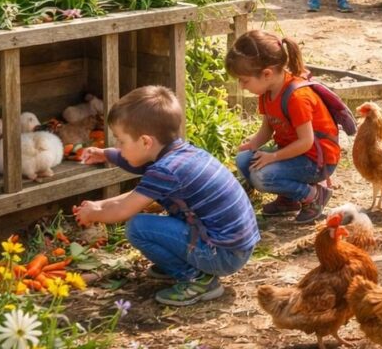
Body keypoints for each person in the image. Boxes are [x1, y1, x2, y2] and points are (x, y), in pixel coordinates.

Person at [75, 86, 258, 307]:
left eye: (120, 141)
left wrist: (94, 214)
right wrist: (105, 155)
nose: (118, 147)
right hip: (234, 246)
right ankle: (183, 260)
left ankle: (197, 279)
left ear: (145, 142)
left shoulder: (165, 171)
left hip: (222, 254)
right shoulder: (180, 154)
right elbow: (136, 166)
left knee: (138, 227)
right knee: (154, 222)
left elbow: (125, 209)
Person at [227, 29, 337, 224]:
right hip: (294, 153)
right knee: (245, 160)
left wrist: (273, 157)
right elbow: (267, 129)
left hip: (316, 160)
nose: (242, 86)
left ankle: (312, 195)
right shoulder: (267, 92)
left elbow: (306, 141)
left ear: (267, 73)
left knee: (262, 176)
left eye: (244, 80)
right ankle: (289, 199)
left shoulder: (296, 97)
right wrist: (252, 145)